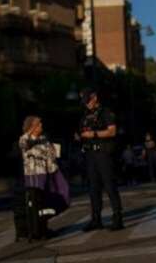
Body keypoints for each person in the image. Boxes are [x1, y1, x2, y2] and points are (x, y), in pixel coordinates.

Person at [75, 88, 124, 231]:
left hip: (103, 152)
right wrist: (81, 136)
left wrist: (94, 134)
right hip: (90, 153)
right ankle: (96, 218)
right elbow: (82, 131)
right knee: (93, 187)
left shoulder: (105, 112)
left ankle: (117, 216)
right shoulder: (85, 115)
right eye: (84, 102)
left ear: (94, 97)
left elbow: (112, 130)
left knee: (109, 185)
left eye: (88, 101)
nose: (86, 104)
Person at [18, 116, 71, 232]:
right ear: (32, 127)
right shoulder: (27, 140)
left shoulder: (44, 138)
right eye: (38, 124)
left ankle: (43, 220)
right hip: (36, 175)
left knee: (63, 195)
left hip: (51, 172)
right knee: (39, 201)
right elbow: (22, 144)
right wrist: (30, 130)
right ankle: (40, 226)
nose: (41, 125)